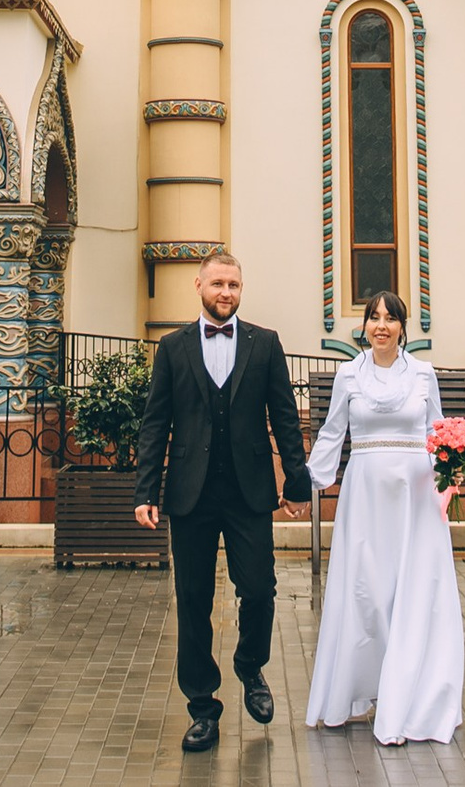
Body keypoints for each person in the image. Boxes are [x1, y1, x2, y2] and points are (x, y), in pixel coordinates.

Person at [130, 251, 311, 752]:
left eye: (233, 284)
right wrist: (147, 490)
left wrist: (296, 483)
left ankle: (250, 667)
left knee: (259, 588)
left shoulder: (265, 344)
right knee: (192, 600)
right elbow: (154, 423)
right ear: (199, 286)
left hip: (249, 490)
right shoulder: (172, 347)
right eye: (217, 284)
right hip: (191, 493)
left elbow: (285, 418)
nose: (226, 292)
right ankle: (203, 708)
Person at [303, 290, 465, 746]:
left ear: (402, 327)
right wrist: (307, 484)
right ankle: (363, 688)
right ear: (365, 326)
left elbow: (438, 432)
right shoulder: (348, 375)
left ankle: (412, 695)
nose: (381, 325)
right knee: (367, 592)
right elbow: (334, 431)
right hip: (366, 495)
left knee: (415, 592)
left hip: (416, 495)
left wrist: (450, 474)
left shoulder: (424, 374)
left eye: (390, 318)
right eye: (374, 317)